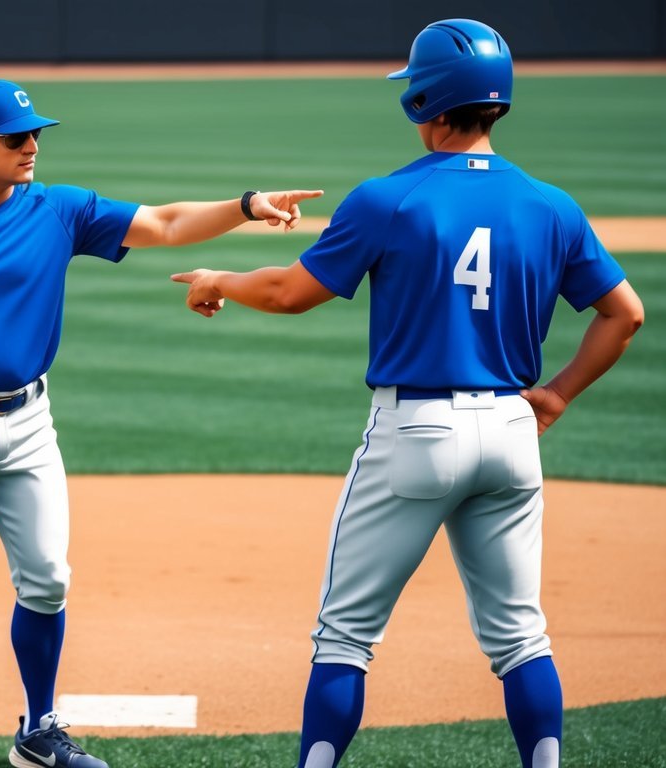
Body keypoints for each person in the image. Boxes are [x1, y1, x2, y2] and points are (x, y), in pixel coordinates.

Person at [172, 19, 644, 768]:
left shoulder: (388, 199)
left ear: (426, 101)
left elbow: (291, 293)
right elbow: (625, 314)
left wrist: (216, 279)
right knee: (521, 637)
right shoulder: (552, 205)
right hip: (510, 433)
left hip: (416, 435)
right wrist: (553, 397)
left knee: (344, 638)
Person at [0, 77, 321, 768]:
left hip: (28, 420)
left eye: (36, 135)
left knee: (47, 578)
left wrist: (245, 206)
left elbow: (165, 223)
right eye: (16, 138)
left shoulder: (58, 209)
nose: (31, 147)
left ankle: (38, 729)